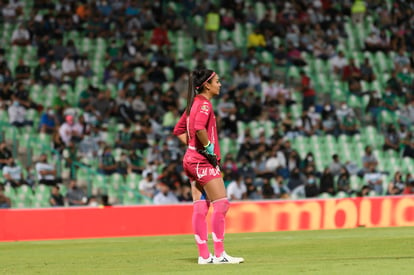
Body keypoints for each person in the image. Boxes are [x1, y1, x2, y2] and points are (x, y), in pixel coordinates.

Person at [173, 69, 244, 264]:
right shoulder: (204, 105)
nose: (220, 84)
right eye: (217, 81)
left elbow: (179, 130)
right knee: (221, 204)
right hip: (202, 162)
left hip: (191, 160)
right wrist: (208, 150)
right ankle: (219, 254)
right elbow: (198, 128)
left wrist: (192, 147)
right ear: (207, 85)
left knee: (201, 207)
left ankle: (205, 256)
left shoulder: (192, 104)